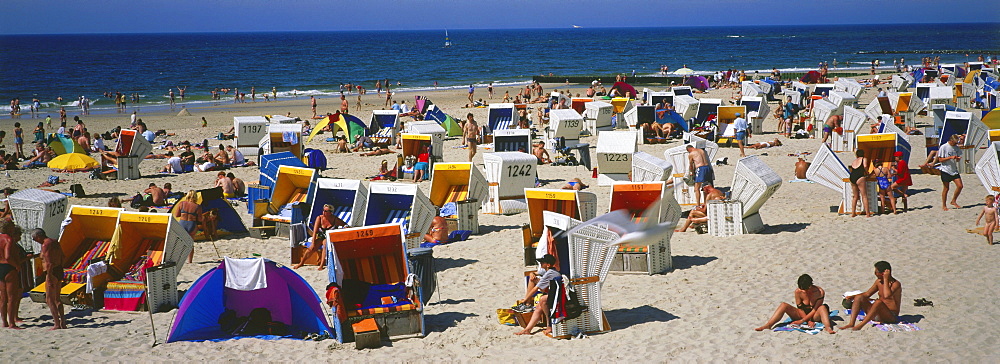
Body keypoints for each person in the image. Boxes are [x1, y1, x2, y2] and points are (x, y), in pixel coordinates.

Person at [754, 274, 835, 334]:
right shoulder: (798, 292)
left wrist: (805, 320)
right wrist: (804, 320)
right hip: (802, 314)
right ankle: (768, 325)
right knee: (783, 305)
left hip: (814, 315)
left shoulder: (819, 292)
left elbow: (815, 309)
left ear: (810, 286)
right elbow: (800, 308)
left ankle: (828, 327)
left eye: (805, 289)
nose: (803, 291)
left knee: (822, 307)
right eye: (802, 289)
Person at [840, 261, 902, 330]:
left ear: (883, 273)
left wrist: (886, 279)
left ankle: (861, 325)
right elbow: (867, 294)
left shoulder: (896, 284)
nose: (875, 274)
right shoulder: (878, 282)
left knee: (878, 302)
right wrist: (853, 297)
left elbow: (887, 296)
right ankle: (851, 323)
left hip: (890, 316)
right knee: (859, 297)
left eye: (876, 272)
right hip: (876, 313)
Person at [515, 254, 558, 336]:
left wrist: (525, 299)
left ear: (548, 265)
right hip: (553, 293)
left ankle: (549, 325)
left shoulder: (550, 273)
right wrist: (532, 273)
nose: (540, 264)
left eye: (542, 262)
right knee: (539, 306)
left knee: (542, 300)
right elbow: (535, 274)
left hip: (557, 296)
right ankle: (528, 329)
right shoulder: (548, 271)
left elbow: (535, 289)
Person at [293, 204, 347, 270]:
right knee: (311, 248)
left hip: (329, 237)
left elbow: (344, 224)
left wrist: (345, 228)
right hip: (321, 236)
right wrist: (313, 242)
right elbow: (315, 231)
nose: (324, 212)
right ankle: (301, 263)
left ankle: (321, 265)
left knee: (325, 245)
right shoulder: (320, 218)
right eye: (323, 210)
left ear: (330, 212)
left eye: (326, 211)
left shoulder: (335, 219)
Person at [32, 229, 67, 329]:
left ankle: (56, 323)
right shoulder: (55, 242)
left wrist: (50, 276)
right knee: (57, 298)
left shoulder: (45, 245)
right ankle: (63, 322)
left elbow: (49, 263)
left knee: (49, 299)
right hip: (59, 269)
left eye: (35, 239)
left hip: (52, 272)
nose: (35, 241)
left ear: (39, 236)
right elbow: (63, 256)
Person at [0, 220, 25, 329]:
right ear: (9, 228)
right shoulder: (8, 239)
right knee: (12, 298)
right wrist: (16, 266)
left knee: (3, 297)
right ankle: (11, 323)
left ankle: (4, 322)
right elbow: (8, 256)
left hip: (0, 267)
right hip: (9, 268)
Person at [936, 134, 963, 211]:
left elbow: (958, 156)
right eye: (954, 143)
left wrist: (957, 158)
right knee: (946, 188)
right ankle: (944, 205)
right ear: (951, 141)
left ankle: (953, 201)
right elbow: (940, 159)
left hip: (954, 170)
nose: (956, 144)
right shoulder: (944, 147)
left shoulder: (956, 148)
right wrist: (950, 157)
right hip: (945, 170)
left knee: (960, 186)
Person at [175, 191, 203, 263]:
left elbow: (177, 215)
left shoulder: (182, 204)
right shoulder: (197, 206)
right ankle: (190, 261)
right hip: (192, 224)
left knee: (180, 243)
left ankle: (179, 259)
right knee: (190, 243)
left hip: (182, 223)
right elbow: (200, 219)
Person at [848, 149, 872, 217]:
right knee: (864, 196)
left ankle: (853, 213)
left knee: (855, 196)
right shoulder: (864, 159)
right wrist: (867, 174)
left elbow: (852, 169)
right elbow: (865, 166)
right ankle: (868, 214)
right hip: (860, 176)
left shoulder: (854, 161)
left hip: (852, 176)